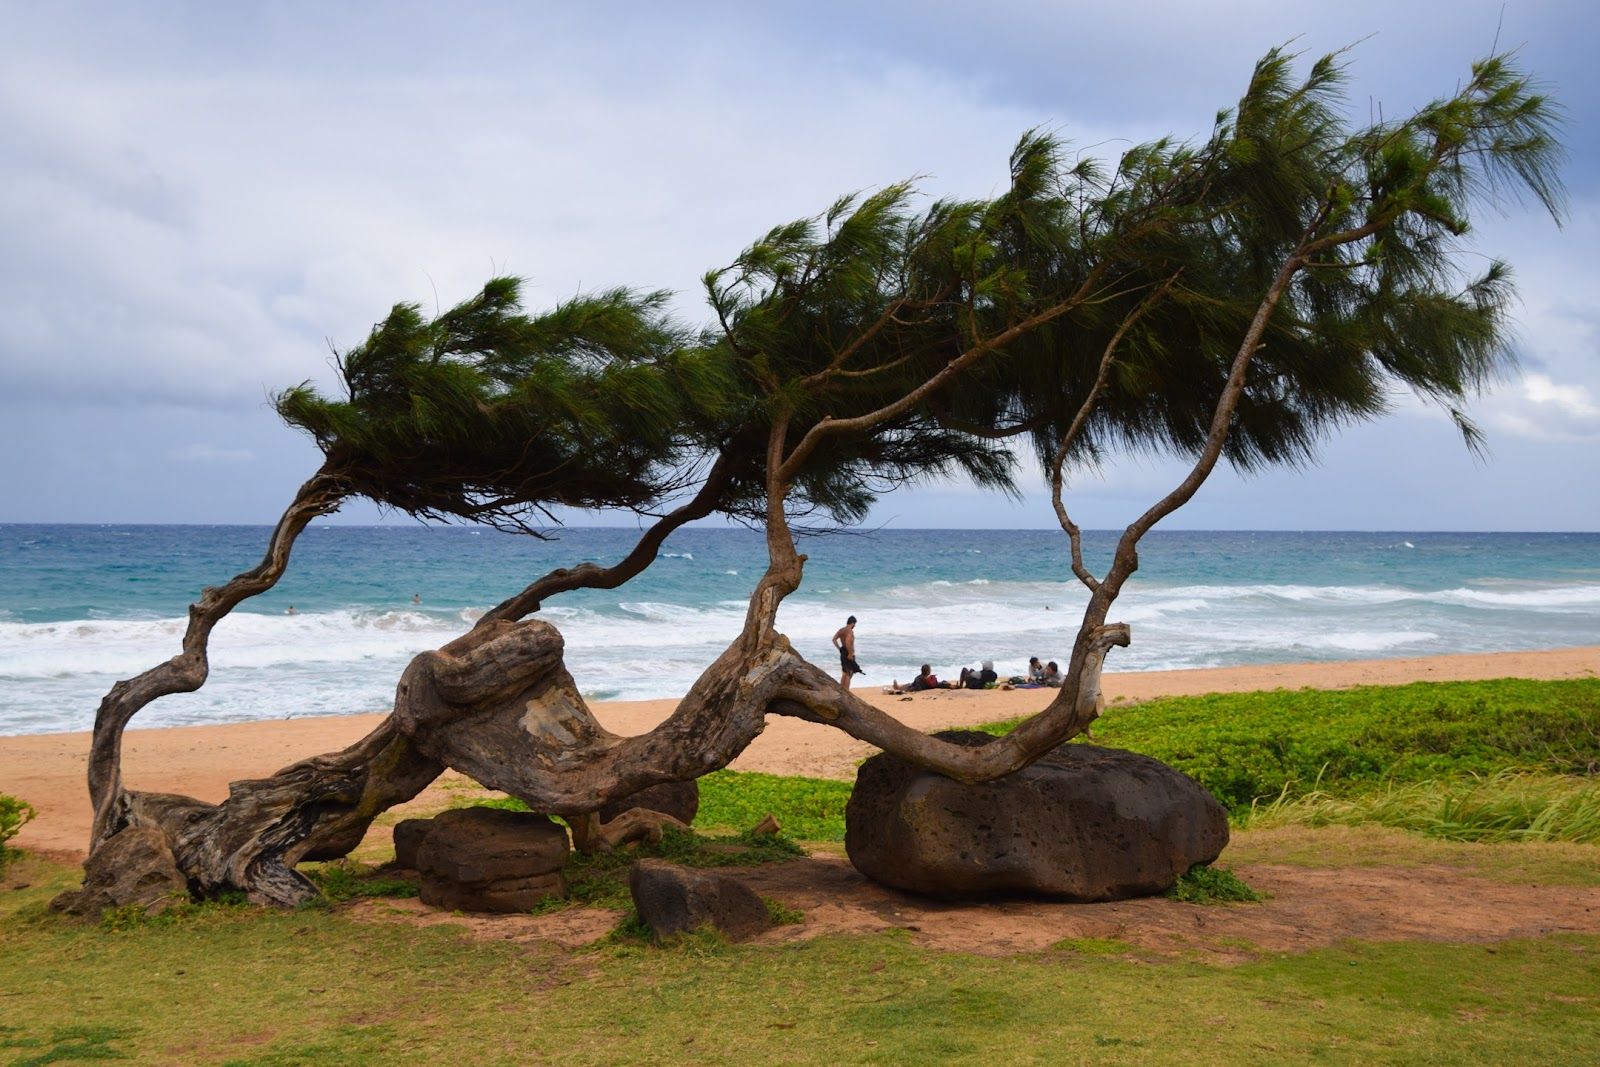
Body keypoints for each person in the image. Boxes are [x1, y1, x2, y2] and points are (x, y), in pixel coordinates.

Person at [832, 615, 862, 690]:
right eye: (854, 624)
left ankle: (841, 689)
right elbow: (848, 642)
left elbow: (834, 639)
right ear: (852, 623)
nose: (854, 626)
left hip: (843, 652)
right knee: (849, 673)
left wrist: (839, 649)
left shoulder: (841, 630)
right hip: (848, 653)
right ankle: (847, 691)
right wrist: (850, 653)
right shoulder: (850, 631)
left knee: (844, 672)